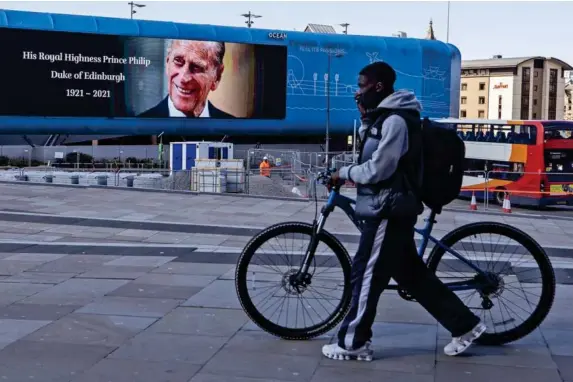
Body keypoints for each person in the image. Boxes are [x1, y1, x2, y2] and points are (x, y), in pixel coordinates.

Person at [322, 61, 486, 361]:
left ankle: (353, 342)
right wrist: (366, 120)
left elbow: (379, 168)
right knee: (412, 276)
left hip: (387, 208)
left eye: (362, 86)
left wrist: (345, 172)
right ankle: (466, 325)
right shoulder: (383, 118)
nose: (358, 92)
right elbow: (374, 153)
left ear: (379, 86)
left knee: (366, 273)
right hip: (389, 206)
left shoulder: (396, 121)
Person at [138, 39, 235, 118]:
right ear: (167, 63)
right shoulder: (137, 132)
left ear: (217, 76)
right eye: (178, 61)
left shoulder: (236, 132)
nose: (183, 78)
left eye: (196, 67)